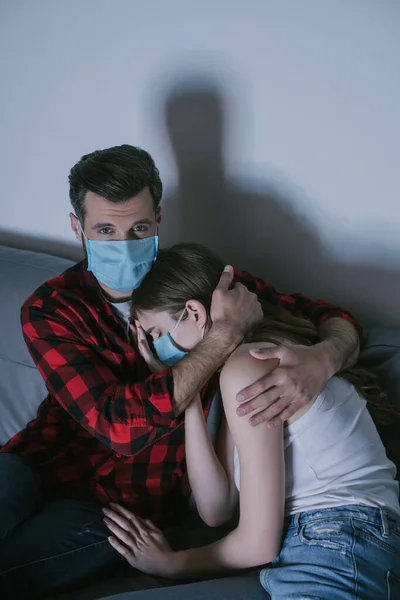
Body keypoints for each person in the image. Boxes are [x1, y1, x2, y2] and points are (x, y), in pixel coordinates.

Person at [0, 145, 362, 598]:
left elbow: (331, 316)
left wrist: (324, 357)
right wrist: (221, 339)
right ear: (78, 228)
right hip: (36, 463)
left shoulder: (202, 285)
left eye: (139, 228)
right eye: (105, 230)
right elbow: (119, 427)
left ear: (159, 220)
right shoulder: (53, 308)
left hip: (119, 507)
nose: (124, 245)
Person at [102, 242, 400, 599]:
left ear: (195, 314)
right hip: (332, 545)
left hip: (336, 545)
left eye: (154, 334)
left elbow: (258, 545)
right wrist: (189, 396)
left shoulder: (250, 365)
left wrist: (169, 563)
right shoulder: (243, 368)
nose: (151, 348)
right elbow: (216, 508)